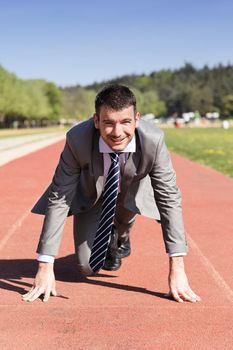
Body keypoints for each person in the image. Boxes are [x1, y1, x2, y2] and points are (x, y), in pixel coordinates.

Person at [22, 85, 200, 303]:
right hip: (93, 195)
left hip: (131, 190)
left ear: (136, 119)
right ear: (96, 121)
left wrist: (178, 267)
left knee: (126, 216)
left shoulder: (154, 140)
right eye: (108, 123)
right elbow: (60, 197)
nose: (117, 133)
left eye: (125, 122)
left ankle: (120, 236)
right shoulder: (77, 140)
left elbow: (169, 197)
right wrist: (45, 265)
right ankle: (108, 234)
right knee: (87, 268)